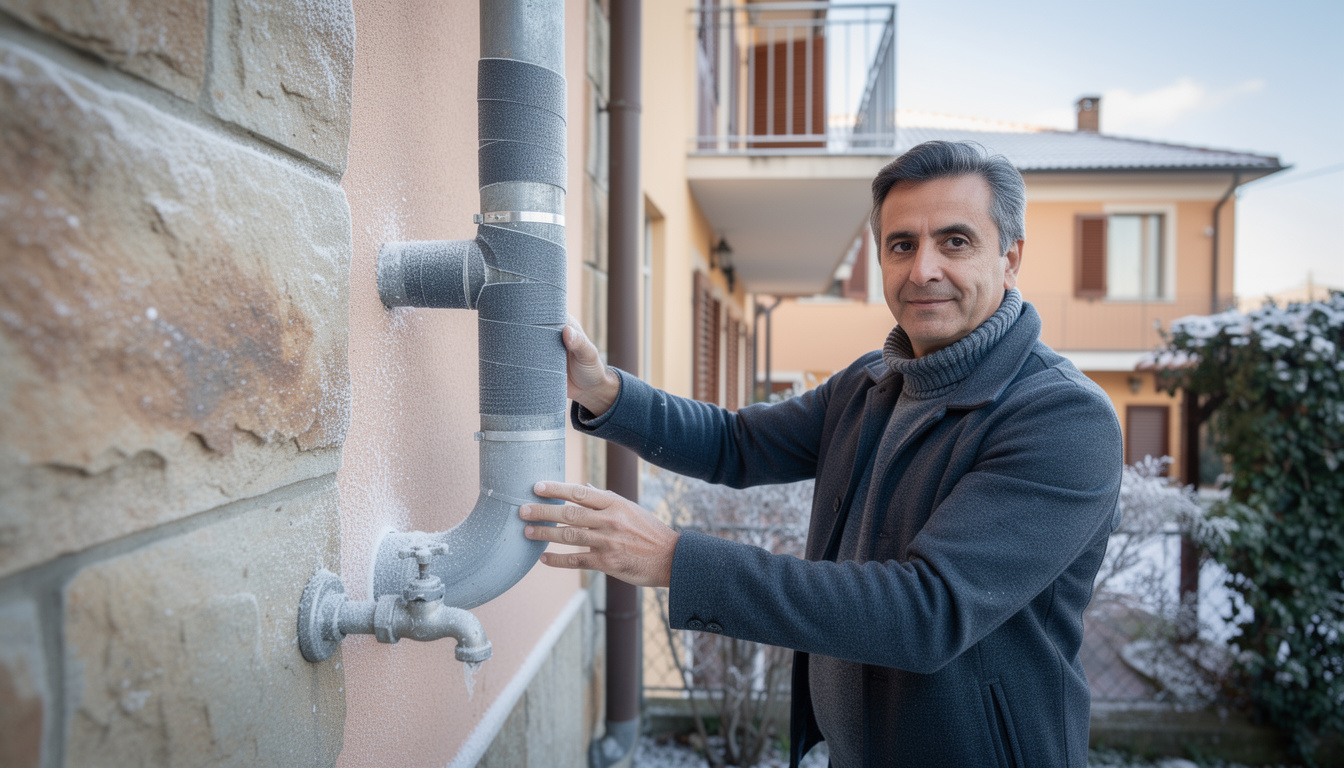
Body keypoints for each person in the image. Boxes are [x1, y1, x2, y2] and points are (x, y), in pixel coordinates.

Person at [519, 140, 1123, 767]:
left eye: (956, 242)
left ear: (1011, 257)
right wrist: (603, 389)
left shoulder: (1061, 418)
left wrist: (677, 560)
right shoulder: (874, 384)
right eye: (901, 245)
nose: (923, 270)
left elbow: (926, 611)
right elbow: (737, 443)